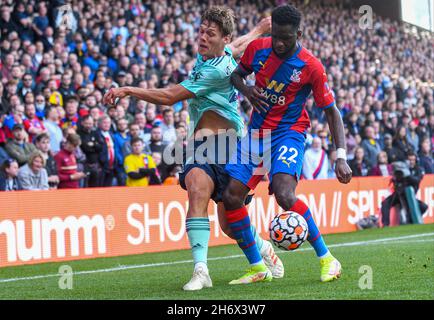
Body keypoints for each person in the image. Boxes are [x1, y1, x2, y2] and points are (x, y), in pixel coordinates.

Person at [103, 7, 280, 291]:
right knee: (196, 187)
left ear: (222, 37)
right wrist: (259, 30)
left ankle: (262, 247)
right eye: (201, 31)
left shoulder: (216, 70)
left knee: (230, 225)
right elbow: (235, 47)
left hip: (231, 146)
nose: (202, 37)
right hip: (201, 145)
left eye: (210, 34)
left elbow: (170, 96)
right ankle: (201, 270)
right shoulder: (216, 54)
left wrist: (128, 90)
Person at [225, 4, 352, 284]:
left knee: (284, 194)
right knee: (231, 196)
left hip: (288, 132)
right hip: (257, 134)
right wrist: (246, 90)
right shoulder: (257, 48)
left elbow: (331, 111)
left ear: (299, 33)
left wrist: (340, 155)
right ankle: (258, 267)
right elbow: (236, 74)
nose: (280, 44)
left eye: (287, 38)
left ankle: (328, 258)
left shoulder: (311, 66)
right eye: (276, 37)